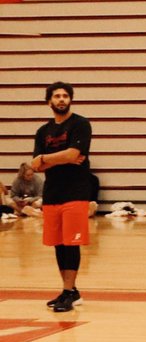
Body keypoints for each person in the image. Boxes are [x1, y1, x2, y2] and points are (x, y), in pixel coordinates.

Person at [30, 81, 92, 312]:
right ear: (49, 102)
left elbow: (74, 154)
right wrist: (58, 158)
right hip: (52, 194)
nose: (61, 99)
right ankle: (69, 290)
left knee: (71, 243)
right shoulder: (42, 131)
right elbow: (35, 165)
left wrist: (46, 158)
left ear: (71, 99)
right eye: (57, 96)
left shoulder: (81, 124)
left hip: (75, 192)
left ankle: (70, 292)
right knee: (58, 244)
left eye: (65, 95)